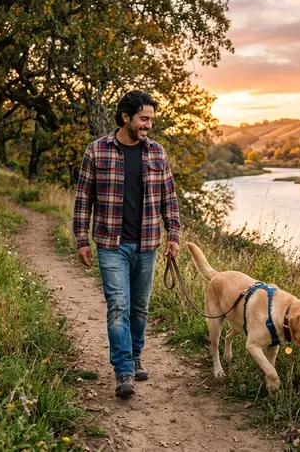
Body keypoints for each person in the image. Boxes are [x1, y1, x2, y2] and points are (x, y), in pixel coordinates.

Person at [73, 90, 181, 398]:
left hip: (148, 243)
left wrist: (173, 235)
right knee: (118, 306)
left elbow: (169, 199)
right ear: (126, 117)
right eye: (144, 119)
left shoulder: (157, 153)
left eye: (151, 119)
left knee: (140, 309)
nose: (148, 125)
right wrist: (82, 239)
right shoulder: (96, 151)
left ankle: (135, 357)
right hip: (111, 244)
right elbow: (84, 199)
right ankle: (123, 371)